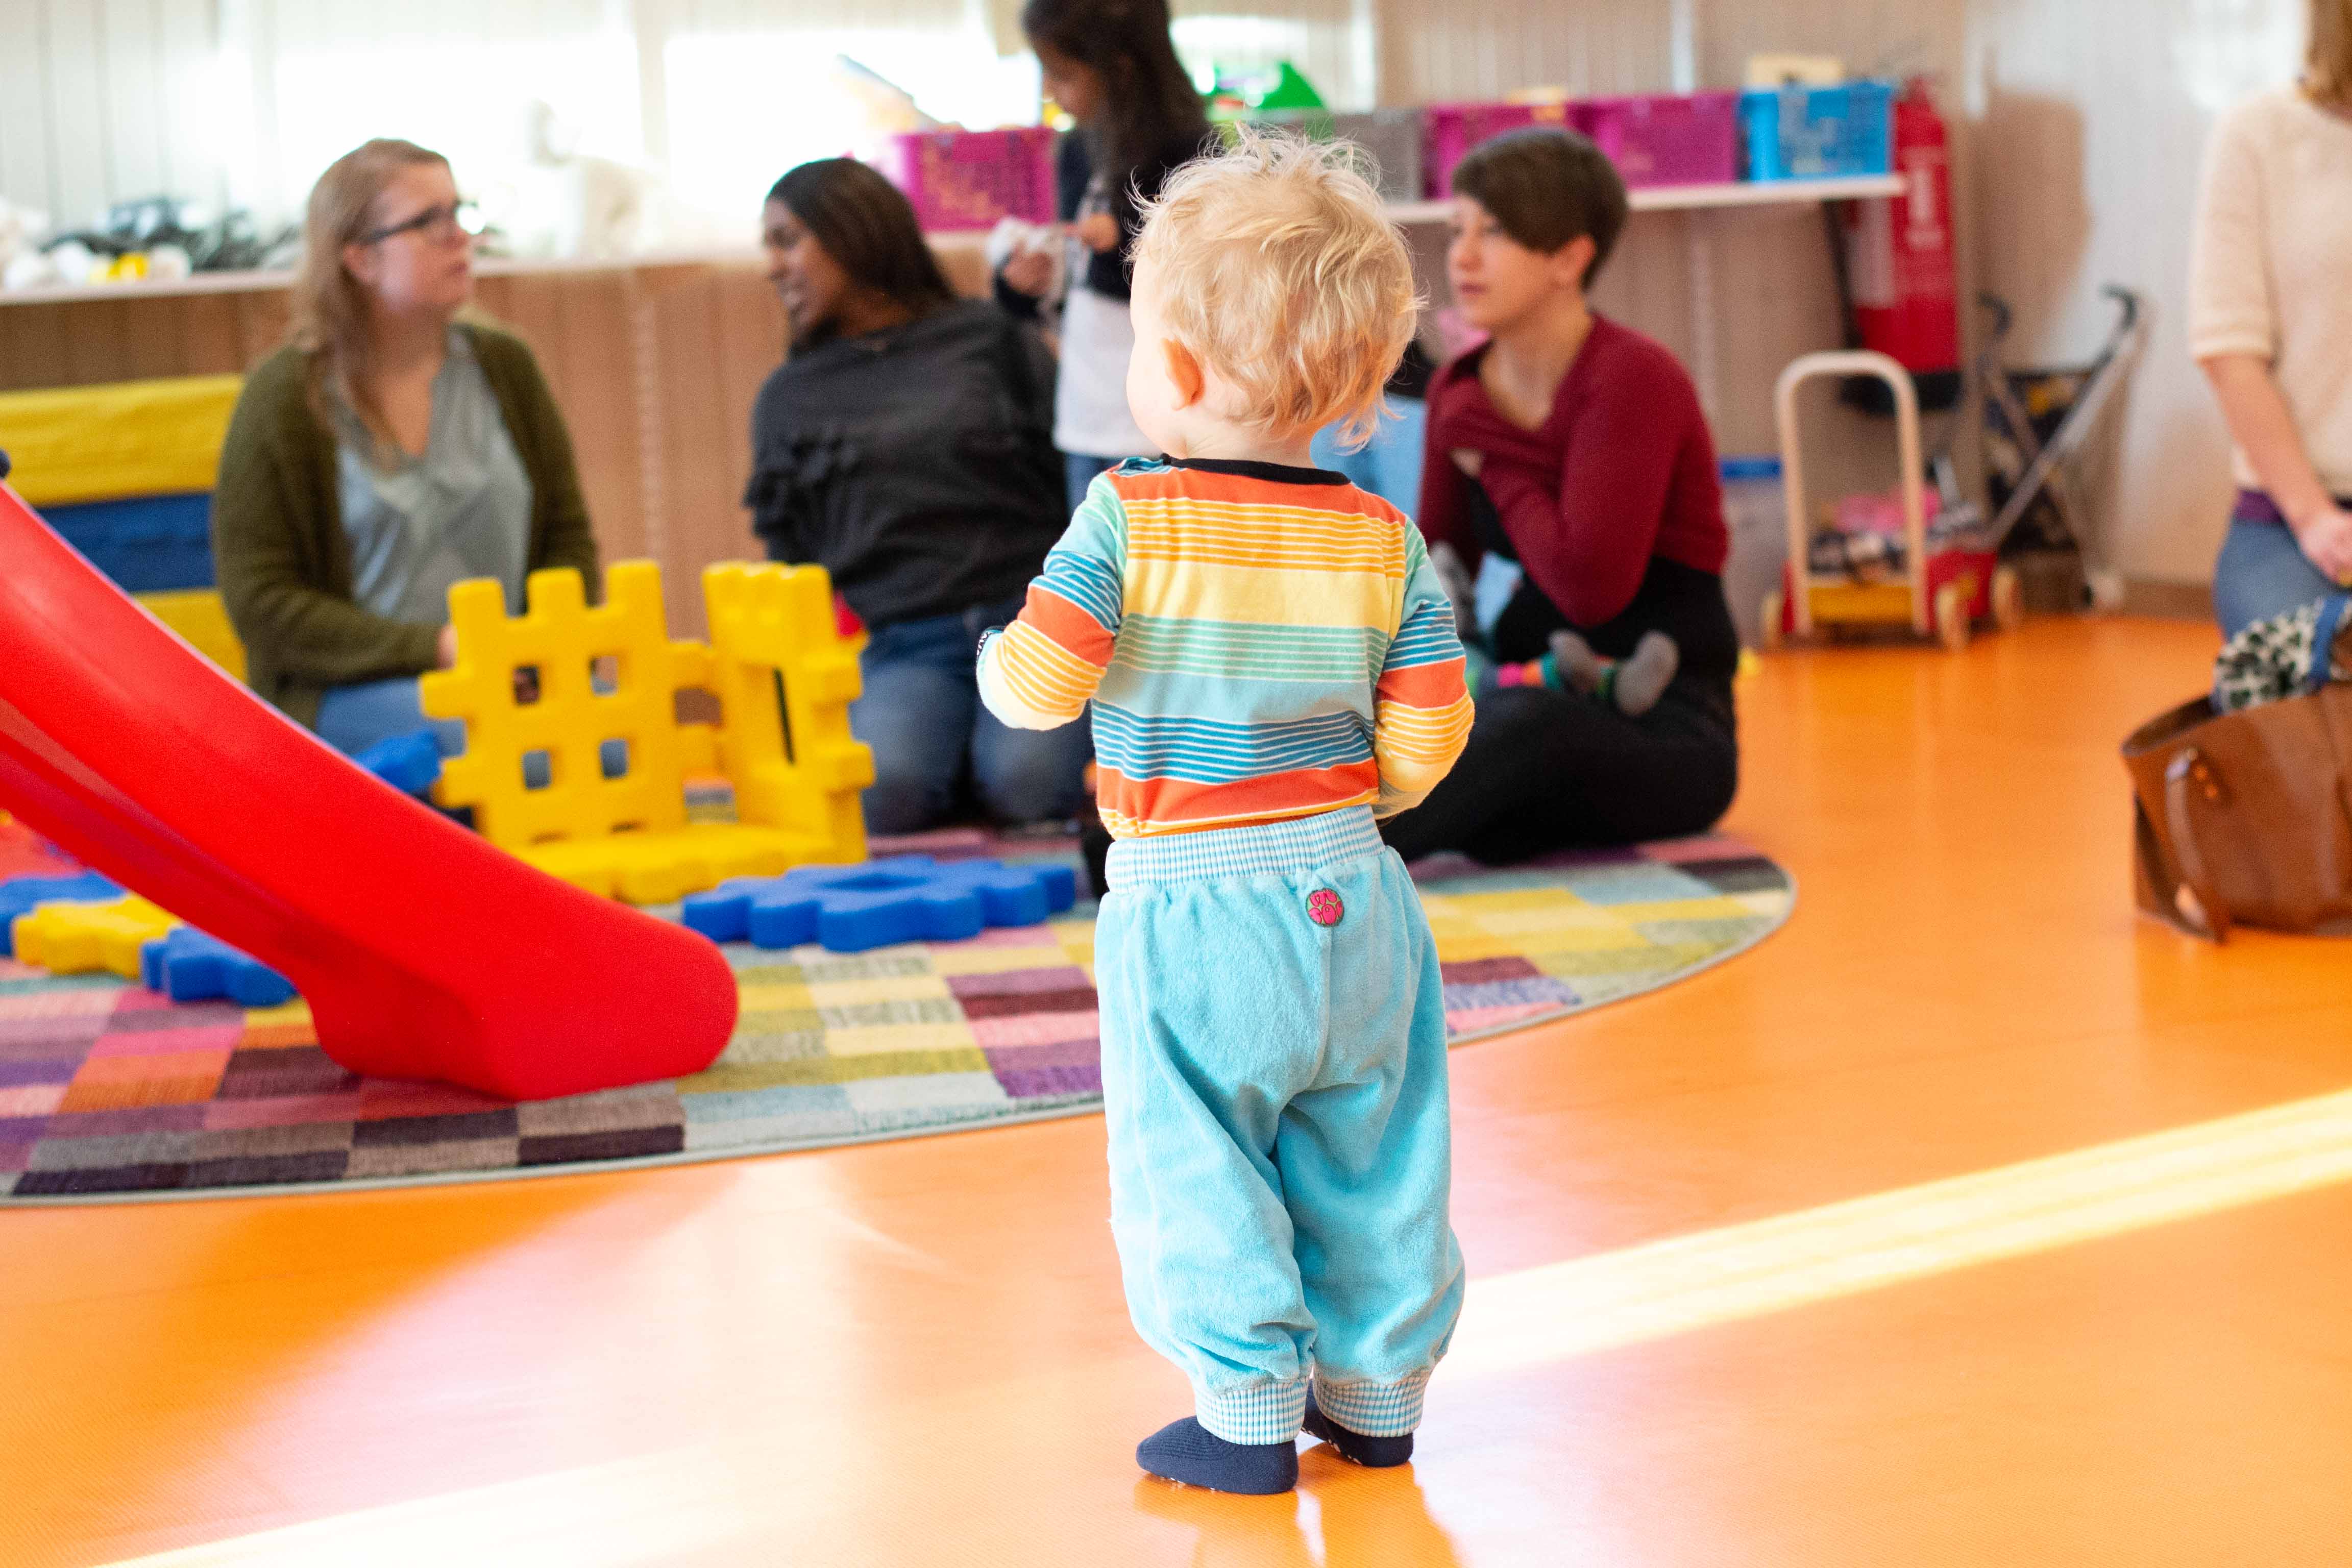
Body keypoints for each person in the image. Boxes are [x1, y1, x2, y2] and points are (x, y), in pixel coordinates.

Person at [977, 134, 1472, 1496]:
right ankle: (1376, 1395)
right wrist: (1367, 802)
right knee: (1375, 1147)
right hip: (1356, 894)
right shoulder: (1380, 538)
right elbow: (1432, 728)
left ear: (1179, 373)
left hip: (1192, 902)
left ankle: (1246, 1409)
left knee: (1192, 1153)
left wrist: (997, 662)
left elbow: (1038, 687)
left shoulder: (1127, 517)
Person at [1380, 128, 1739, 865]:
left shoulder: (1634, 378)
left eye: (1495, 232)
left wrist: (1497, 465)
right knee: (1445, 730)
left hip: (1666, 725)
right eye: (1458, 229)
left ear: (1570, 258)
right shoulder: (1460, 391)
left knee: (1524, 726)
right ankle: (1245, 829)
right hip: (1520, 691)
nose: (1462, 256)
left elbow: (1589, 590)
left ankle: (1302, 856)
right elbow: (1433, 579)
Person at [213, 138, 601, 757]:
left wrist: (538, 652)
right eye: (429, 222)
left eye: (460, 212)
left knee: (617, 743)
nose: (461, 237)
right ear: (361, 259)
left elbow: (567, 540)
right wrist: (440, 650)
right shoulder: (282, 398)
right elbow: (263, 605)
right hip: (350, 690)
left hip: (511, 676)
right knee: (497, 752)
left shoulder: (507, 366)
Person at [746, 158, 1087, 835]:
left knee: (1031, 787)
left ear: (852, 231)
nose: (772, 267)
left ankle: (979, 755)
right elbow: (793, 574)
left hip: (1028, 625)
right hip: (908, 646)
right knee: (885, 796)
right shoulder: (788, 396)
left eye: (787, 241)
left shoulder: (991, 337)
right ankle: (956, 749)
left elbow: (1077, 494)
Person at [2192, 0, 2352, 693]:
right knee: (2307, 696)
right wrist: (2315, 519)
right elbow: (2229, 350)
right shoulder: (2256, 135)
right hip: (2293, 525)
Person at [997, 0, 1212, 508]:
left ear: (1121, 69)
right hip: (1086, 413)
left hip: (1164, 422)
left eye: (1063, 75)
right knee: (1091, 551)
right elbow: (1069, 289)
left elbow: (1206, 285)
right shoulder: (1078, 149)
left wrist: (1123, 240)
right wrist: (1023, 284)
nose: (1050, 91)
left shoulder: (1188, 151)